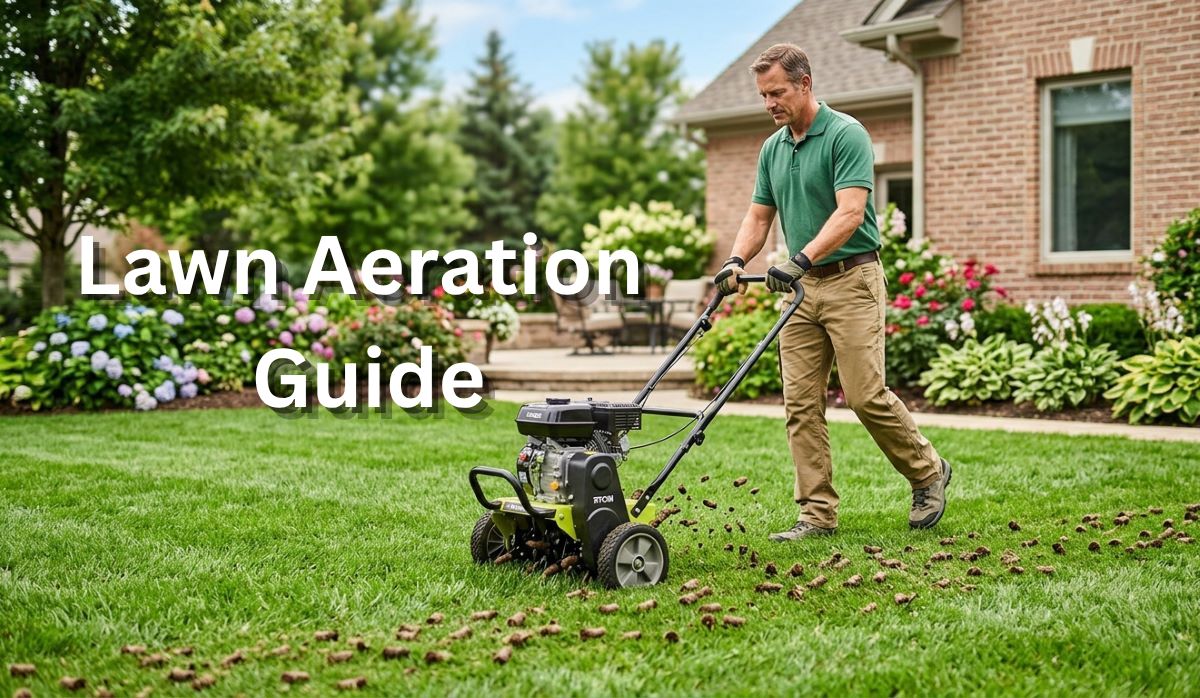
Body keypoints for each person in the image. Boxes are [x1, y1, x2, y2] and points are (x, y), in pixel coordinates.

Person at [713, 43, 952, 541]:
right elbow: (759, 217)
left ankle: (928, 472)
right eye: (762, 95)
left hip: (851, 281)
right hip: (801, 293)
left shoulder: (846, 135)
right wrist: (737, 260)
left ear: (805, 83)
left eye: (776, 92)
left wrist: (799, 259)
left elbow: (849, 214)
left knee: (865, 395)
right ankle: (816, 514)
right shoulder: (772, 148)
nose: (769, 103)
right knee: (800, 405)